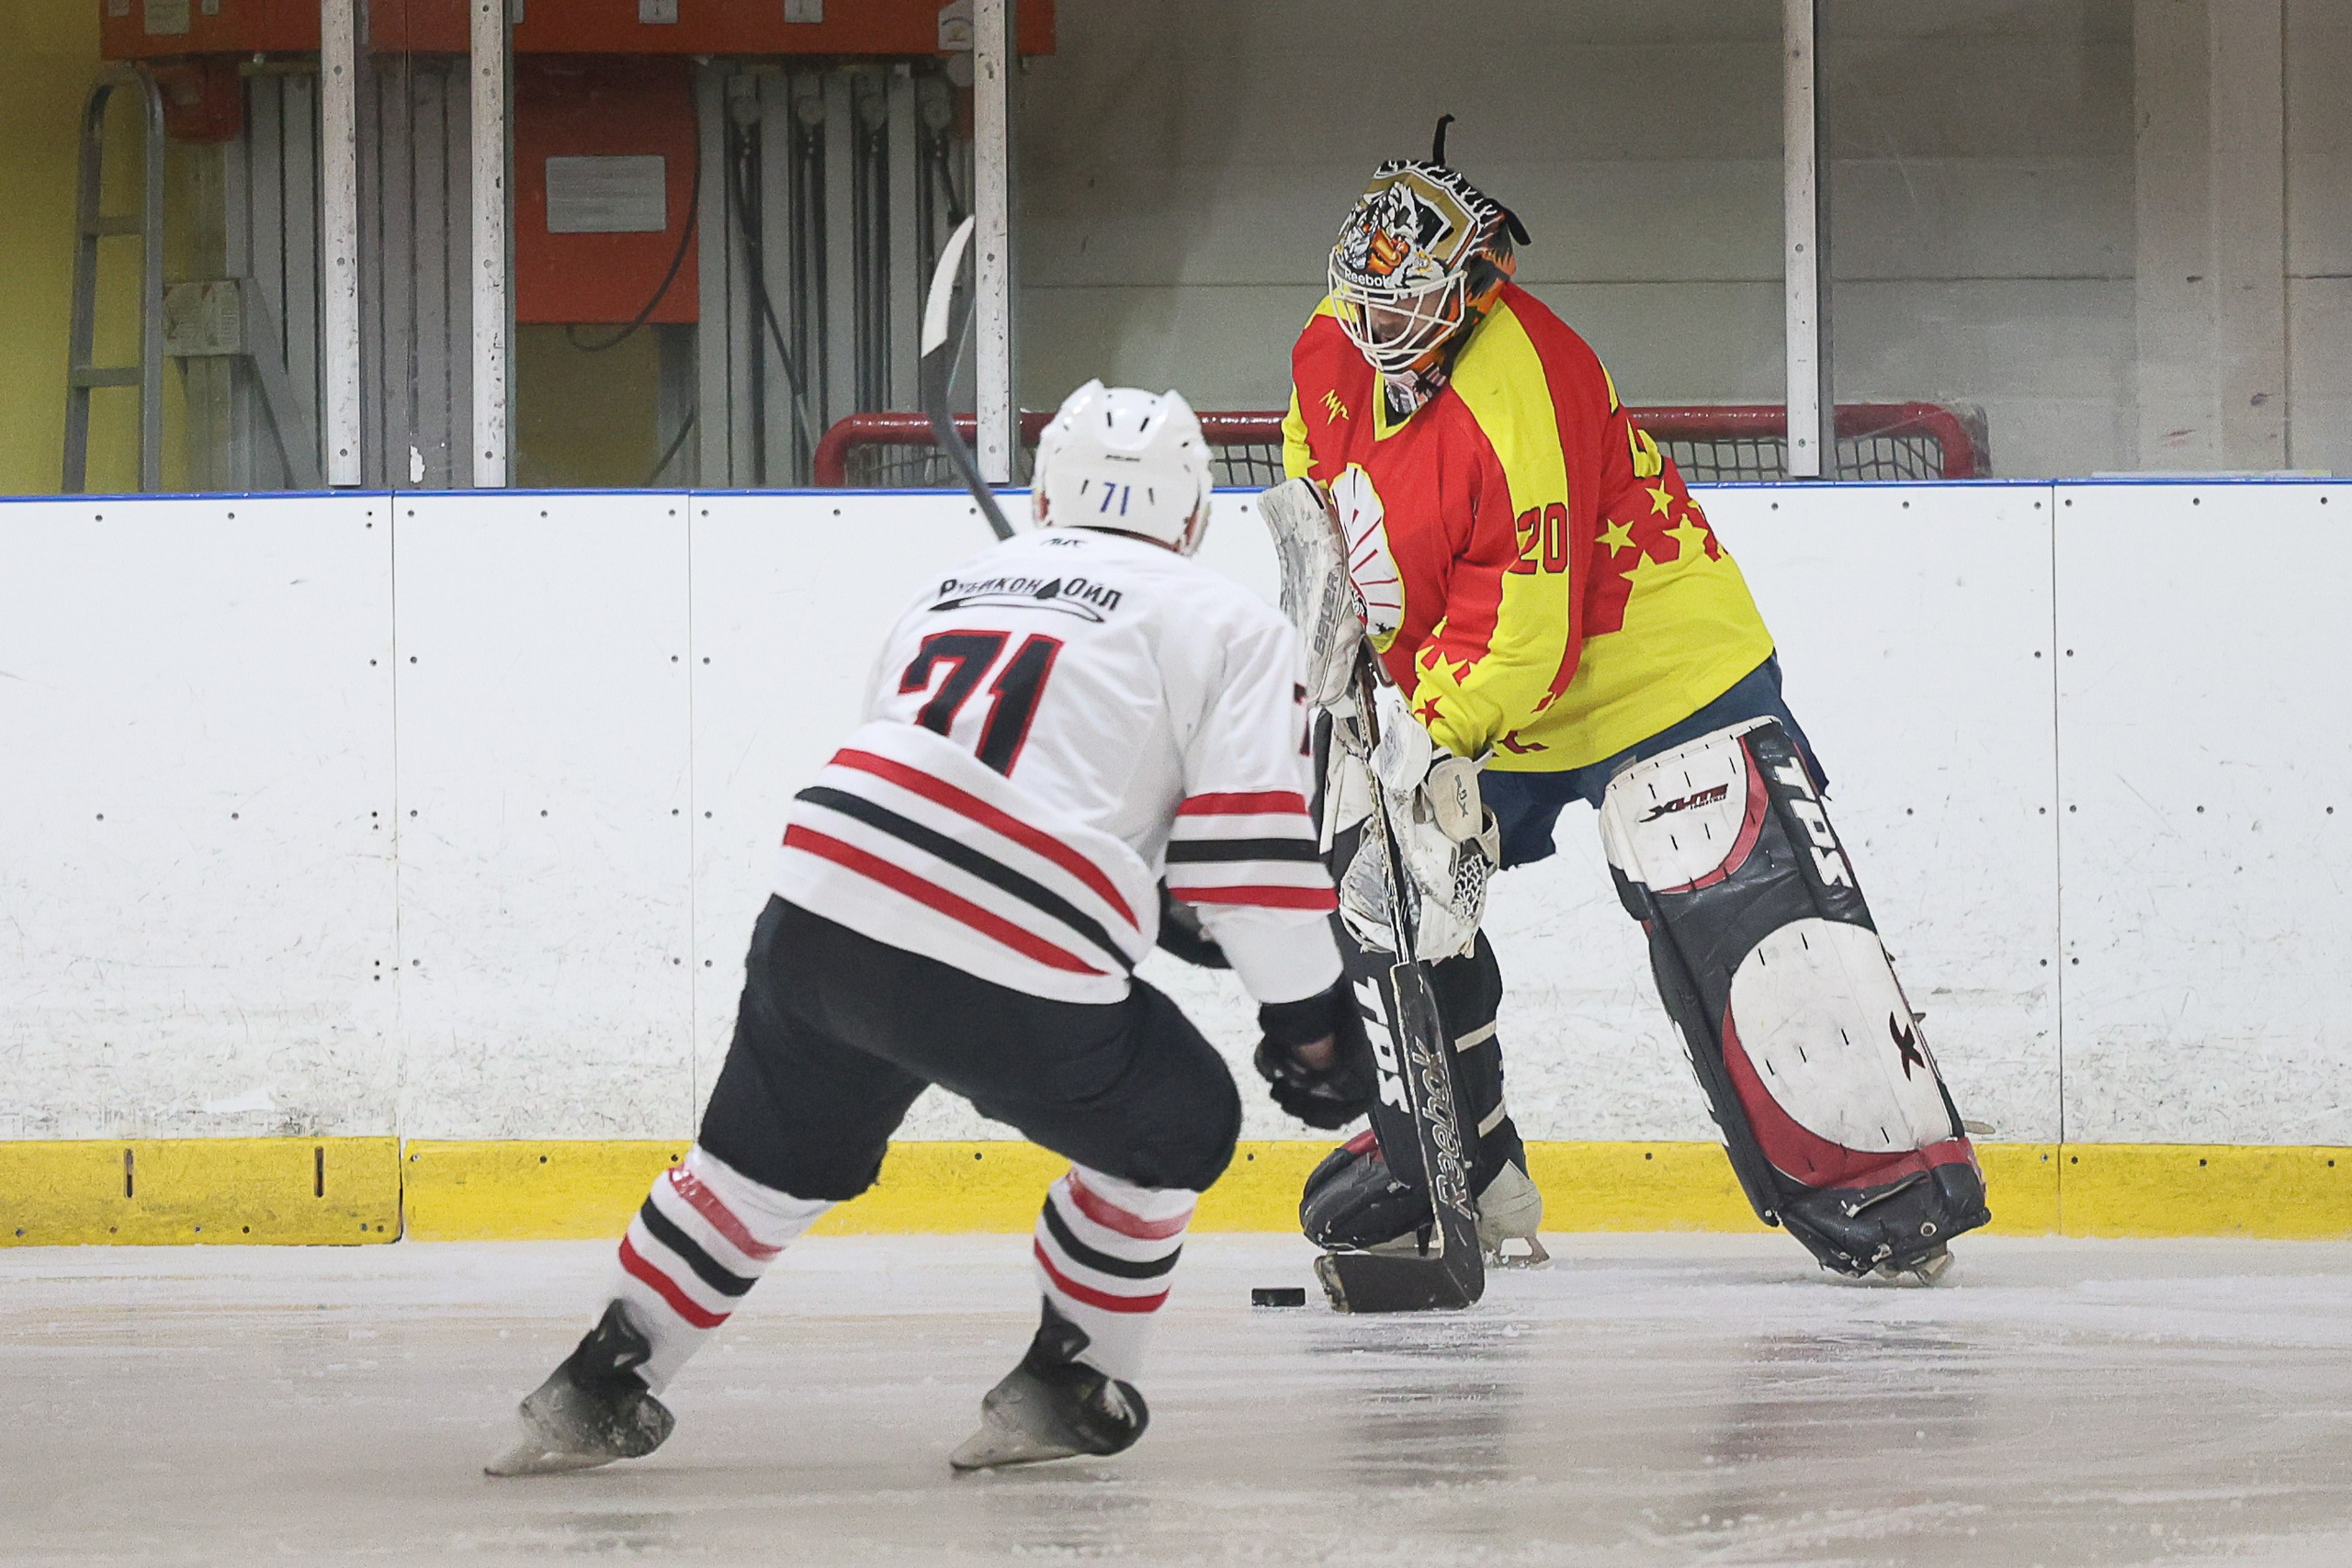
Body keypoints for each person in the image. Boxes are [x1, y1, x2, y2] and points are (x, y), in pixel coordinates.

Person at [485, 381, 1374, 1477]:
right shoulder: (1227, 620)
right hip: (1008, 937)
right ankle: (1066, 1381)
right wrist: (1316, 1030)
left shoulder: (946, 589)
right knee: (1177, 1123)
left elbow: (930, 778)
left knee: (760, 1166)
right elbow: (1244, 862)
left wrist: (1151, 904)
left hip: (826, 902)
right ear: (1193, 519)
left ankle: (594, 1387)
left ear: (1043, 492)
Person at [1275, 122, 1989, 1281]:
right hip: (1475, 663)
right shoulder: (1329, 347)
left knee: (1749, 907)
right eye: (1359, 301)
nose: (1373, 332)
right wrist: (1347, 682)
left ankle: (1887, 1193)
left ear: (1472, 290)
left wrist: (1426, 737)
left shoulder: (1530, 380)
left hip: (1654, 673)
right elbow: (1323, 510)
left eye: (1403, 308)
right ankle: (1459, 1162)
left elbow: (1529, 625)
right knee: (1378, 879)